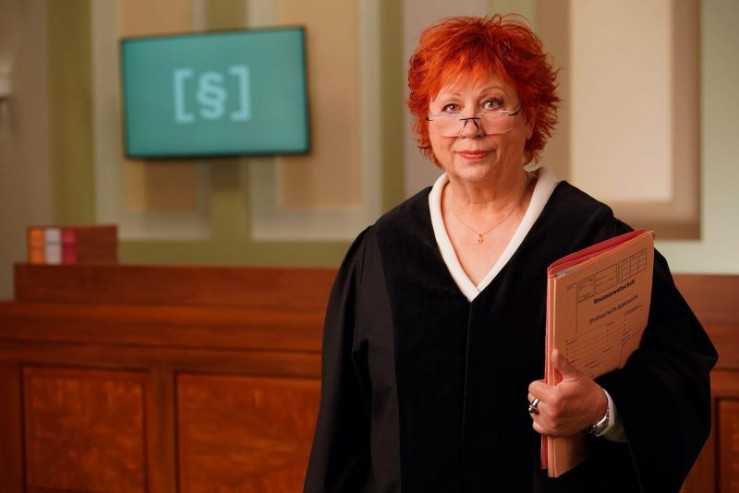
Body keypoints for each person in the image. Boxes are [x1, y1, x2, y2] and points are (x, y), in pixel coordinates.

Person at [304, 15, 716, 493]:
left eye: (493, 103)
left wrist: (602, 409)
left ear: (530, 117)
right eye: (450, 106)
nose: (470, 127)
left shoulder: (595, 241)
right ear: (427, 124)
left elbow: (679, 379)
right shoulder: (382, 251)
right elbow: (344, 432)